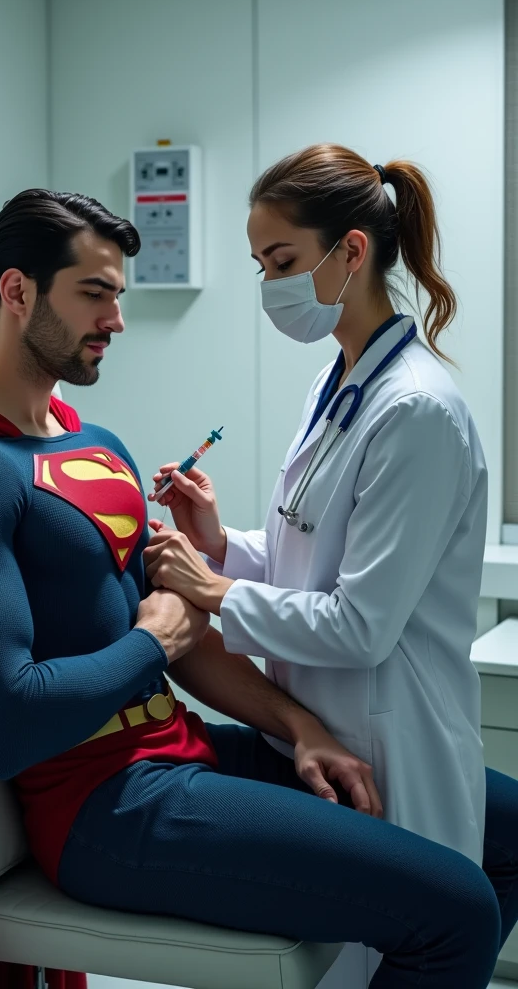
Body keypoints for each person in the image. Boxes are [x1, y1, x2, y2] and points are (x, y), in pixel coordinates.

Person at [0, 189, 518, 989]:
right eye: (95, 294)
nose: (115, 319)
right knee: (456, 908)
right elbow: (8, 724)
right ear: (17, 292)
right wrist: (156, 641)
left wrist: (301, 727)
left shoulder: (93, 445)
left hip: (189, 750)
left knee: (510, 827)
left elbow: (189, 630)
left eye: (119, 296)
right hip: (107, 807)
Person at [143, 143, 488, 865]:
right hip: (322, 738)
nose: (270, 285)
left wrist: (210, 588)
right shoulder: (337, 385)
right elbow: (308, 562)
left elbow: (360, 626)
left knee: (399, 956)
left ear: (351, 250)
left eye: (283, 262)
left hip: (394, 747)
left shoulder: (416, 410)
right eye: (262, 268)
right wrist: (220, 543)